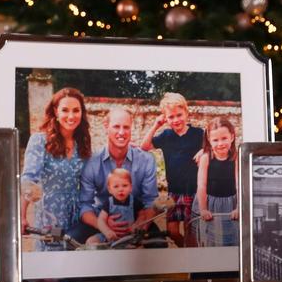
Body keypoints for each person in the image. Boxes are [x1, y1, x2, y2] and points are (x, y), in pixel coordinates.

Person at [70, 107, 159, 244]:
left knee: (159, 244)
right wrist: (103, 226)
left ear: (131, 129)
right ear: (106, 127)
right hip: (100, 218)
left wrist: (139, 226)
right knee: (71, 240)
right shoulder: (91, 162)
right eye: (116, 126)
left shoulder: (146, 160)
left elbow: (150, 202)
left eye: (126, 127)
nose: (121, 132)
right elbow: (85, 205)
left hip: (136, 219)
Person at [21, 87, 91, 243]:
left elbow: (89, 182)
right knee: (51, 262)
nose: (71, 116)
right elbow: (29, 180)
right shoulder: (40, 141)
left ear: (82, 113)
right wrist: (22, 216)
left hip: (76, 220)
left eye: (76, 110)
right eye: (65, 110)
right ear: (55, 111)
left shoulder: (82, 145)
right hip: (49, 218)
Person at [139, 92, 205, 247]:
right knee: (172, 231)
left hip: (192, 191)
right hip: (173, 192)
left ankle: (191, 257)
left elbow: (212, 147)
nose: (176, 120)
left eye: (179, 115)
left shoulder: (198, 134)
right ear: (165, 118)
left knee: (191, 231)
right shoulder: (166, 135)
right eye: (171, 117)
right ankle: (185, 250)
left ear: (187, 113)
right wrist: (156, 125)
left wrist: (204, 151)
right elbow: (144, 146)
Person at [194, 117, 239, 247]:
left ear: (232, 136)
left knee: (231, 239)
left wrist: (239, 207)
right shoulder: (205, 158)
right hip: (209, 203)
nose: (220, 144)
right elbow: (201, 186)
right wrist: (203, 209)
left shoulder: (236, 158)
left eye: (224, 138)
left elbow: (239, 185)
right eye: (215, 140)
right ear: (209, 140)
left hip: (230, 204)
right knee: (209, 240)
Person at [85, 168, 137, 246]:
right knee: (90, 241)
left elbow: (142, 216)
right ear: (110, 189)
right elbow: (101, 220)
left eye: (125, 185)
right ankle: (103, 249)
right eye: (116, 186)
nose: (121, 189)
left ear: (131, 187)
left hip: (129, 236)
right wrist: (107, 231)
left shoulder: (134, 201)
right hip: (110, 235)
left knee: (137, 245)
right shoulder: (109, 202)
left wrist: (136, 226)